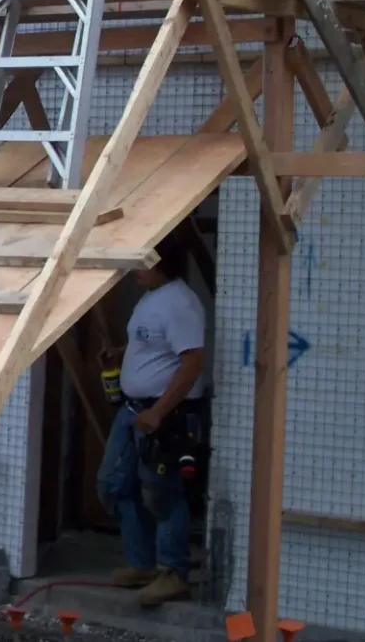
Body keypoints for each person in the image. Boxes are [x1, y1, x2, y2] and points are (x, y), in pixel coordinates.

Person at [96, 233, 208, 607]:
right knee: (115, 484)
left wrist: (159, 412)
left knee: (163, 492)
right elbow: (154, 343)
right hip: (133, 410)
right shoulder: (151, 299)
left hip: (166, 416)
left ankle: (172, 572)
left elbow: (192, 362)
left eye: (143, 263)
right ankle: (143, 564)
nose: (135, 271)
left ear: (162, 264)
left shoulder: (180, 305)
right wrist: (121, 353)